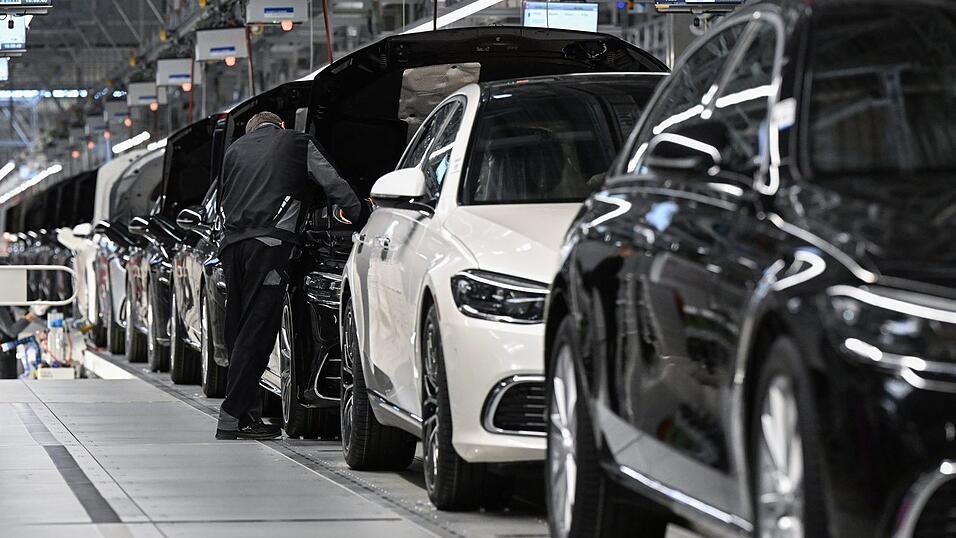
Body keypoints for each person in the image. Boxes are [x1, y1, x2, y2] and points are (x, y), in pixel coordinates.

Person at [215, 111, 365, 440]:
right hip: (269, 245)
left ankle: (246, 416)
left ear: (252, 130)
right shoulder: (297, 142)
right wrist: (361, 215)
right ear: (282, 125)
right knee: (258, 330)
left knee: (239, 331)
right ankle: (229, 417)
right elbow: (334, 183)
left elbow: (223, 198)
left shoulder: (234, 150)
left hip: (232, 247)